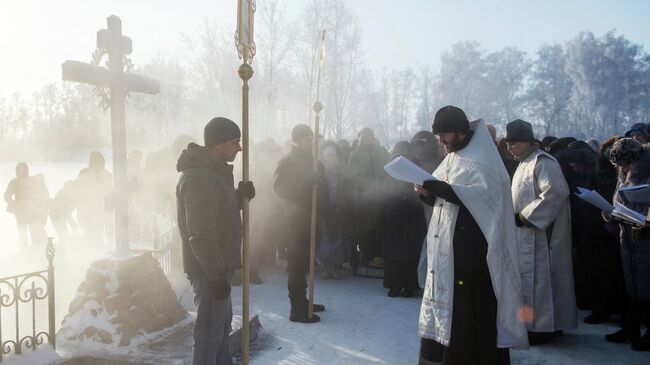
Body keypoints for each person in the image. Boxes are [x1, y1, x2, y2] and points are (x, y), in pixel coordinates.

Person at [416, 106, 528, 365]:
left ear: (460, 132)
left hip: (474, 258)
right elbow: (450, 200)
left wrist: (438, 188)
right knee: (452, 316)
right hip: (451, 254)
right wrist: (429, 194)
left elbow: (479, 201)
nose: (440, 141)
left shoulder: (482, 160)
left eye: (444, 134)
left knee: (471, 319)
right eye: (438, 136)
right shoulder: (454, 156)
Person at [176, 117, 255, 365]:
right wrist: (217, 274)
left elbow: (217, 210)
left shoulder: (214, 172)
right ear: (218, 144)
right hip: (209, 269)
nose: (239, 148)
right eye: (235, 142)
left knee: (220, 330)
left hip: (219, 265)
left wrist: (238, 198)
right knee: (209, 334)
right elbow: (200, 232)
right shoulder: (199, 178)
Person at [505, 120, 577, 345]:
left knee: (543, 282)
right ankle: (538, 325)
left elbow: (556, 191)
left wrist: (527, 216)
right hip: (528, 234)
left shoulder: (543, 161)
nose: (510, 147)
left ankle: (543, 327)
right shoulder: (524, 162)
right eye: (508, 143)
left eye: (514, 143)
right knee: (533, 284)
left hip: (543, 236)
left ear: (528, 141)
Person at [274, 124, 327, 323]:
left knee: (306, 262)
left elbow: (324, 191)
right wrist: (306, 182)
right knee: (297, 264)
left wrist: (324, 210)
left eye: (312, 139)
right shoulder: (287, 162)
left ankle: (305, 300)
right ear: (296, 140)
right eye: (307, 139)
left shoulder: (316, 163)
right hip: (294, 222)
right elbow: (280, 189)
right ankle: (296, 308)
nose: (311, 143)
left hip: (313, 219)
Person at [604, 137, 650, 351]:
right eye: (618, 165)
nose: (621, 169)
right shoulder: (623, 171)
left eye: (625, 164)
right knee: (632, 284)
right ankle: (630, 327)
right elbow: (619, 199)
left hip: (645, 236)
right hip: (628, 237)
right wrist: (609, 213)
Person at [382, 141, 426, 297]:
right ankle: (409, 286)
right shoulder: (415, 164)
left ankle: (394, 286)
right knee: (411, 251)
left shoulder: (391, 164)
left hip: (394, 212)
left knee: (394, 251)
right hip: (413, 212)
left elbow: (384, 188)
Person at [347, 127, 390, 270]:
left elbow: (388, 169)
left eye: (370, 135)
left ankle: (378, 256)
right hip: (364, 198)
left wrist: (384, 184)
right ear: (360, 138)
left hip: (381, 196)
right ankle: (367, 256)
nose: (367, 138)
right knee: (366, 228)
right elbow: (352, 175)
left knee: (380, 227)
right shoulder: (356, 154)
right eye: (364, 136)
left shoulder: (382, 151)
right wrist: (364, 185)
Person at [4, 163, 49, 248]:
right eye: (20, 170)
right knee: (22, 233)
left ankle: (36, 249)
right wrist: (12, 204)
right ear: (17, 171)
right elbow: (7, 195)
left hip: (32, 211)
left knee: (34, 230)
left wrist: (42, 205)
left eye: (24, 169)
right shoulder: (14, 182)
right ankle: (24, 251)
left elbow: (42, 188)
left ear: (27, 170)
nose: (22, 172)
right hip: (20, 212)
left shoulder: (32, 180)